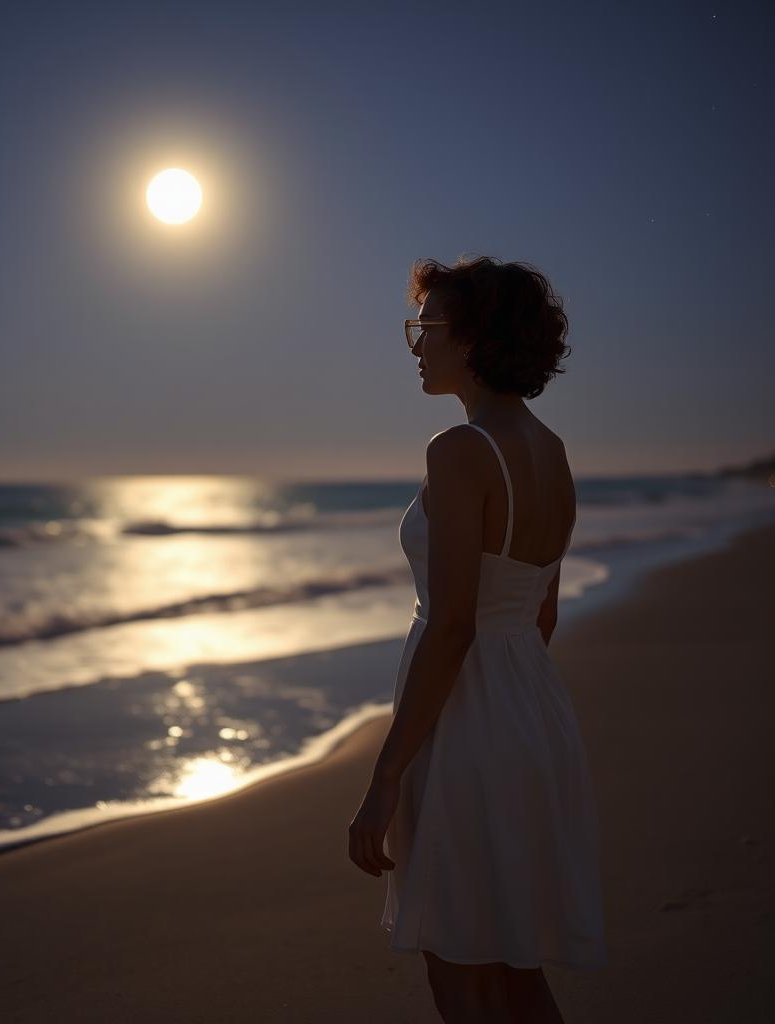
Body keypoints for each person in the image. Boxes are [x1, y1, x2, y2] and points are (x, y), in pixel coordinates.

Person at [348, 255, 606, 1022]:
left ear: (472, 339)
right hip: (531, 711)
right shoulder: (553, 453)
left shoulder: (459, 452)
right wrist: (509, 706)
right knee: (514, 962)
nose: (415, 344)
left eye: (426, 328)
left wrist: (386, 776)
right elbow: (540, 615)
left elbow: (455, 622)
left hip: (463, 722)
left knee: (460, 968)